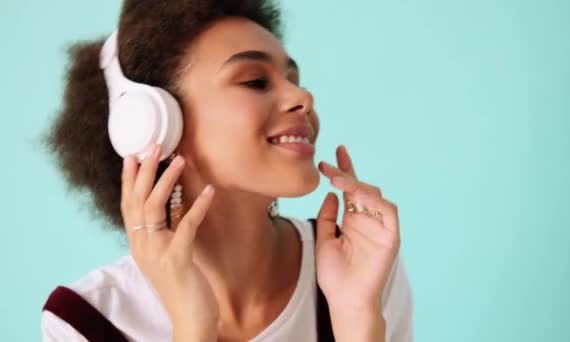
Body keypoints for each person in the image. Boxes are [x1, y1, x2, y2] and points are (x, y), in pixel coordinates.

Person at [41, 0, 413, 341]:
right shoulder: (83, 320)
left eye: (294, 80)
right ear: (151, 124)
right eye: (255, 81)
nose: (303, 98)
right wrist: (193, 327)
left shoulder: (360, 268)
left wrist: (357, 318)